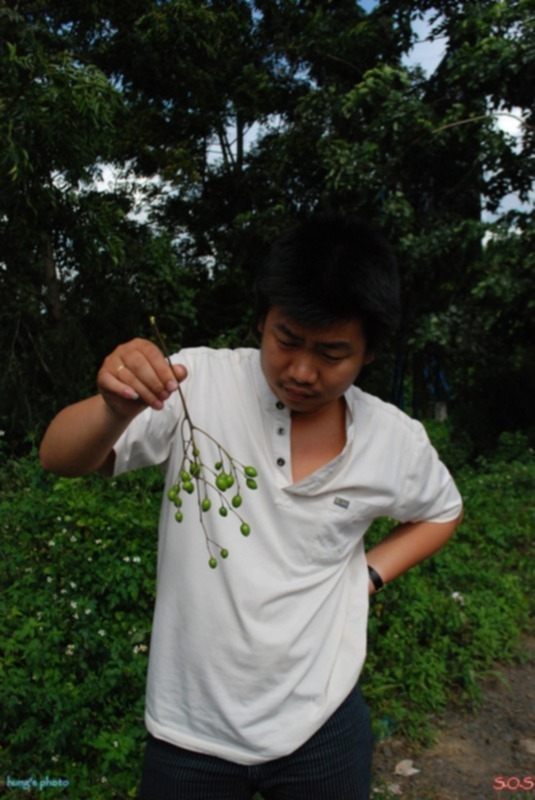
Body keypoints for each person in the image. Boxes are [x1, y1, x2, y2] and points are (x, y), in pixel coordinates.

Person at [40, 213, 463, 800]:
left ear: (368, 353)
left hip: (323, 725)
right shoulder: (196, 383)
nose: (301, 371)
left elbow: (443, 510)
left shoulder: (395, 440)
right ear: (262, 318)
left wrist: (367, 576)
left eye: (332, 353)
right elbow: (59, 456)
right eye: (286, 340)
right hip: (189, 733)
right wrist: (115, 409)